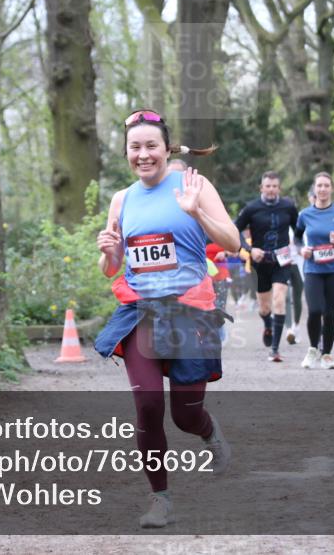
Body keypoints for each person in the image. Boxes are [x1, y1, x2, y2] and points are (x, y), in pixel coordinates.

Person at [94, 109, 240, 528]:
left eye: (151, 146)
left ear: (165, 147)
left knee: (184, 414)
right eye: (135, 147)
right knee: (147, 405)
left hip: (189, 312)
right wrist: (109, 251)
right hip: (141, 312)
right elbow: (112, 268)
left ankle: (209, 432)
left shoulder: (193, 185)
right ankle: (160, 499)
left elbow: (230, 241)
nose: (143, 155)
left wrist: (196, 212)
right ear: (126, 152)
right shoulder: (121, 199)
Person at [234, 171, 299, 362]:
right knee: (264, 307)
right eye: (267, 186)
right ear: (261, 188)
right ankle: (267, 324)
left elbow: (299, 230)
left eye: (274, 186)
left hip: (282, 261)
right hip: (260, 262)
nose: (271, 190)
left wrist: (300, 246)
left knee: (279, 299)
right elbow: (235, 230)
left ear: (279, 188)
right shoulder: (251, 208)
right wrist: (249, 248)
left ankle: (275, 349)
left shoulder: (288, 206)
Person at [296, 172, 334, 370]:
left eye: (326, 186)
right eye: (319, 186)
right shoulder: (305, 215)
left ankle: (327, 355)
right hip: (313, 269)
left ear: (332, 189)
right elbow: (297, 239)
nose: (322, 189)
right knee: (314, 311)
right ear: (314, 189)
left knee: (330, 314)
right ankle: (313, 349)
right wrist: (301, 249)